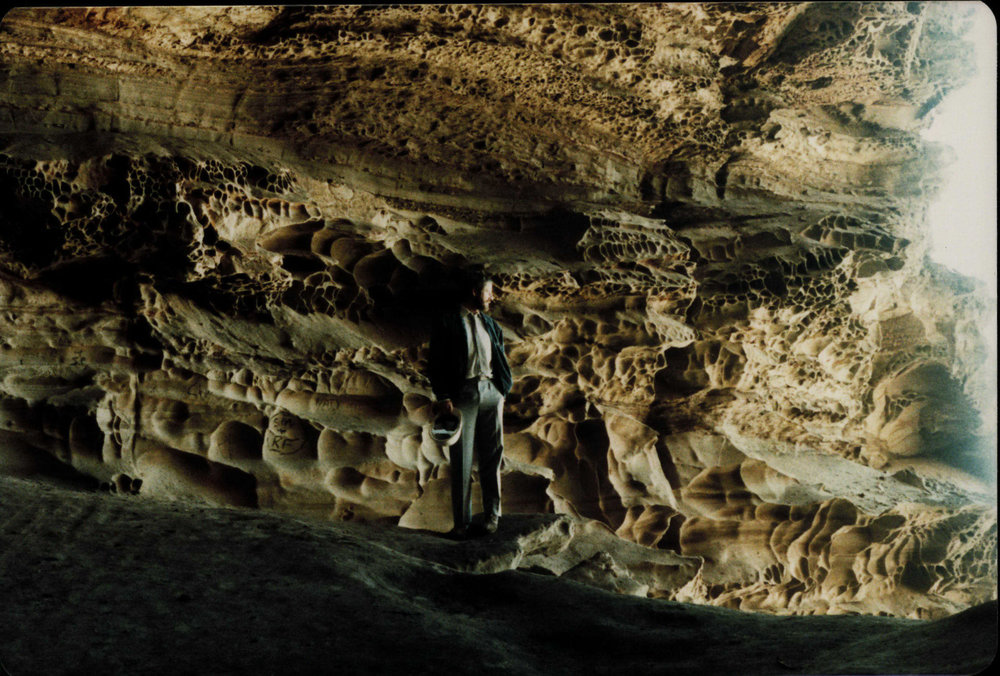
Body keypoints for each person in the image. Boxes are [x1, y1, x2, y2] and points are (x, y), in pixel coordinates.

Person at [427, 270, 512, 539]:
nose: (492, 297)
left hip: (491, 392)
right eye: (489, 291)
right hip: (462, 394)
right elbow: (435, 363)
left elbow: (500, 356)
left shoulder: (491, 324)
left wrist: (503, 388)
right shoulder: (448, 322)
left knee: (492, 456)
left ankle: (492, 517)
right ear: (475, 292)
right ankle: (461, 524)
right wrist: (442, 397)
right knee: (461, 461)